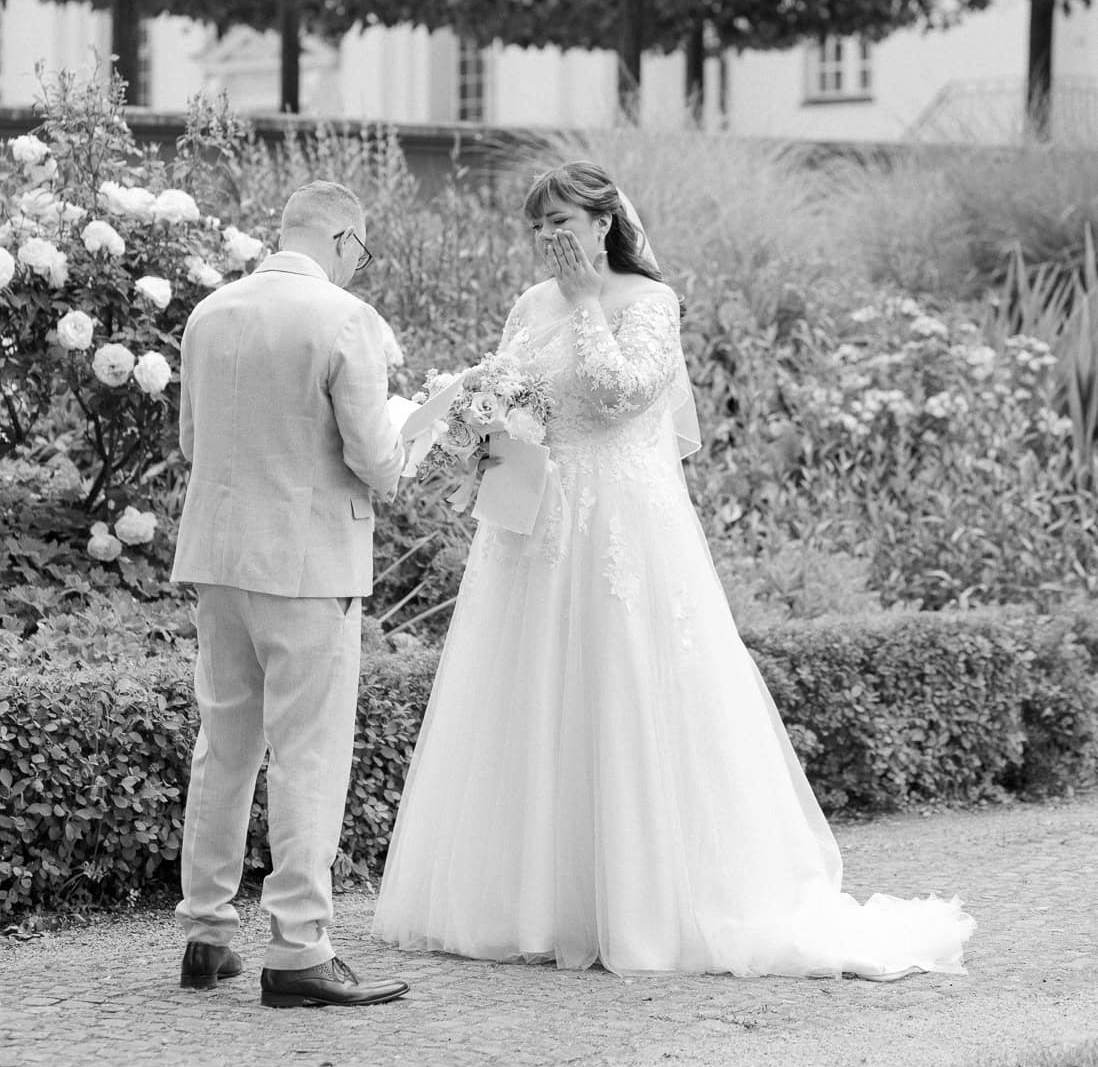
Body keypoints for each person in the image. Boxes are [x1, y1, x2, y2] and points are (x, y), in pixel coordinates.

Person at [373, 161, 974, 979]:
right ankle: (525, 901)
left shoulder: (649, 302)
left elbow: (626, 394)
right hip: (536, 518)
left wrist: (588, 304)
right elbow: (521, 396)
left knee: (622, 683)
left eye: (562, 220)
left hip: (621, 517)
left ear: (602, 221)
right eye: (538, 224)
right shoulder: (526, 304)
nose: (549, 236)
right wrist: (480, 416)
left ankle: (639, 902)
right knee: (530, 692)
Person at [174, 179, 410, 1008]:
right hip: (307, 565)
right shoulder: (343, 319)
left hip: (219, 557)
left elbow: (191, 441)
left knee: (224, 743)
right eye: (362, 251)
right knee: (309, 751)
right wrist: (416, 440)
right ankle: (300, 948)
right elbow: (376, 459)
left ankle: (205, 934)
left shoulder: (209, 312)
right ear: (345, 240)